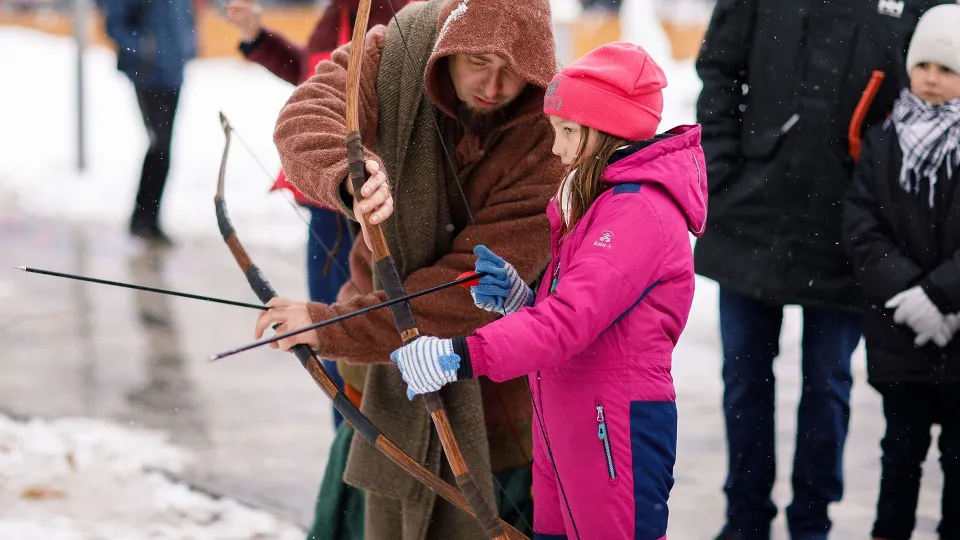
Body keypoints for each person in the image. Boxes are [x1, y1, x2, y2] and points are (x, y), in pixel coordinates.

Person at [253, 0, 565, 538]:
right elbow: (306, 116)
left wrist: (332, 326)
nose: (492, 86)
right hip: (378, 386)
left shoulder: (548, 133)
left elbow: (466, 289)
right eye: (478, 61)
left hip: (495, 398)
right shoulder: (393, 52)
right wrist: (347, 175)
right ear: (448, 45)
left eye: (513, 72)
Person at [389, 41, 707, 539]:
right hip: (571, 420)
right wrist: (523, 301)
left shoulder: (637, 212)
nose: (557, 149)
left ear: (606, 131)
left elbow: (570, 324)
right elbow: (591, 312)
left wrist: (459, 355)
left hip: (611, 425)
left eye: (566, 132)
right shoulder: (604, 203)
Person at [694, 1, 953, 538]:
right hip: (751, 209)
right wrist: (719, 170)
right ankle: (744, 520)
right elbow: (720, 65)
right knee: (744, 379)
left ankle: (812, 523)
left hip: (848, 220)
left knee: (828, 384)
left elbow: (938, 69)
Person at [225, 0, 412, 429]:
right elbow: (314, 78)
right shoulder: (337, 14)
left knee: (363, 333)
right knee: (325, 334)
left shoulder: (399, 13)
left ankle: (368, 441)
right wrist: (259, 39)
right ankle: (345, 443)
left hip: (372, 207)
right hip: (329, 204)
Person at [842, 4, 960, 539]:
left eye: (948, 69)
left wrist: (940, 296)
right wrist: (909, 293)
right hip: (899, 336)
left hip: (958, 334)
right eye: (924, 66)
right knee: (900, 456)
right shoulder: (885, 141)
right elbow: (861, 227)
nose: (932, 79)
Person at [103, 0, 197, 245]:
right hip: (148, 75)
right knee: (160, 146)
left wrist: (187, 47)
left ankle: (148, 220)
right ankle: (143, 220)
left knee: (164, 149)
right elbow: (114, 23)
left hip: (173, 72)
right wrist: (144, 50)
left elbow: (185, 16)